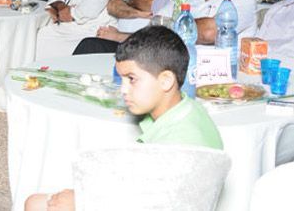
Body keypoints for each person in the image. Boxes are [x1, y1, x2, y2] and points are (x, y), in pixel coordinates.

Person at [25, 25, 223, 211]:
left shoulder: (176, 147)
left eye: (132, 79)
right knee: (38, 202)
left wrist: (82, 202)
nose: (123, 90)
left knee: (38, 204)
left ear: (165, 80)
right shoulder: (189, 110)